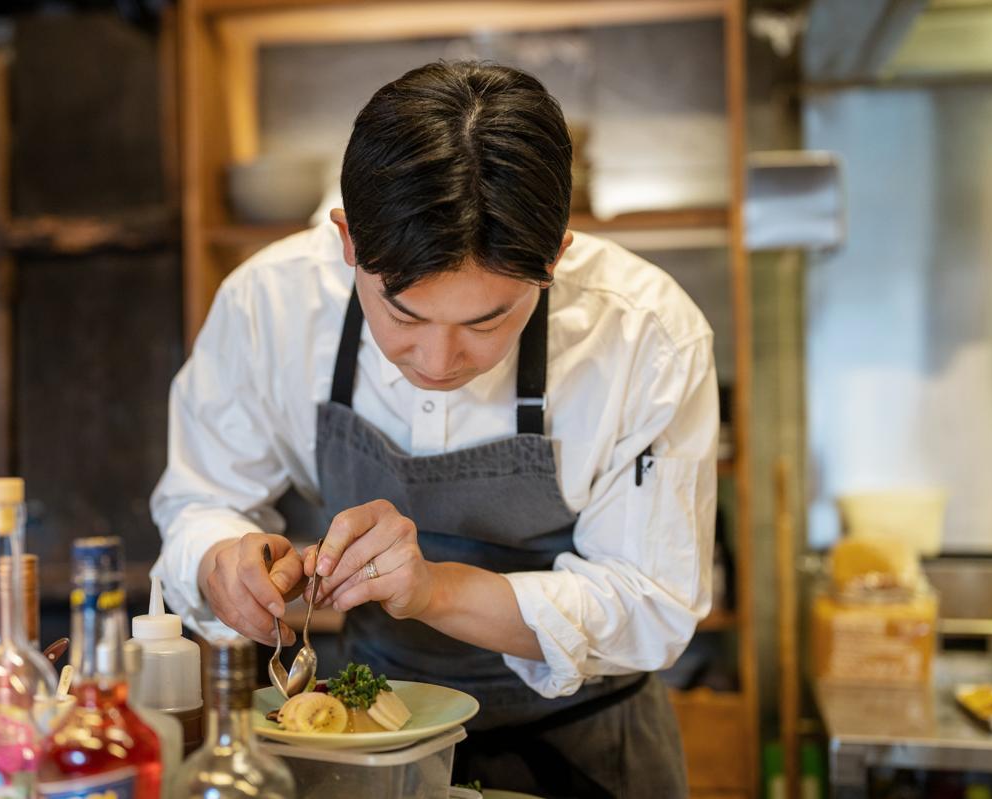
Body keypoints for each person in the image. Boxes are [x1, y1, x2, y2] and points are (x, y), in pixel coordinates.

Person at [151, 60, 717, 798]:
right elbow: (199, 499)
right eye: (404, 314)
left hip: (590, 748)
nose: (440, 359)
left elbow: (652, 601)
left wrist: (435, 591)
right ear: (349, 242)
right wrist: (222, 559)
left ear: (556, 259)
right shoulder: (270, 305)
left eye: (488, 320)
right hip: (362, 748)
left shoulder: (648, 335)